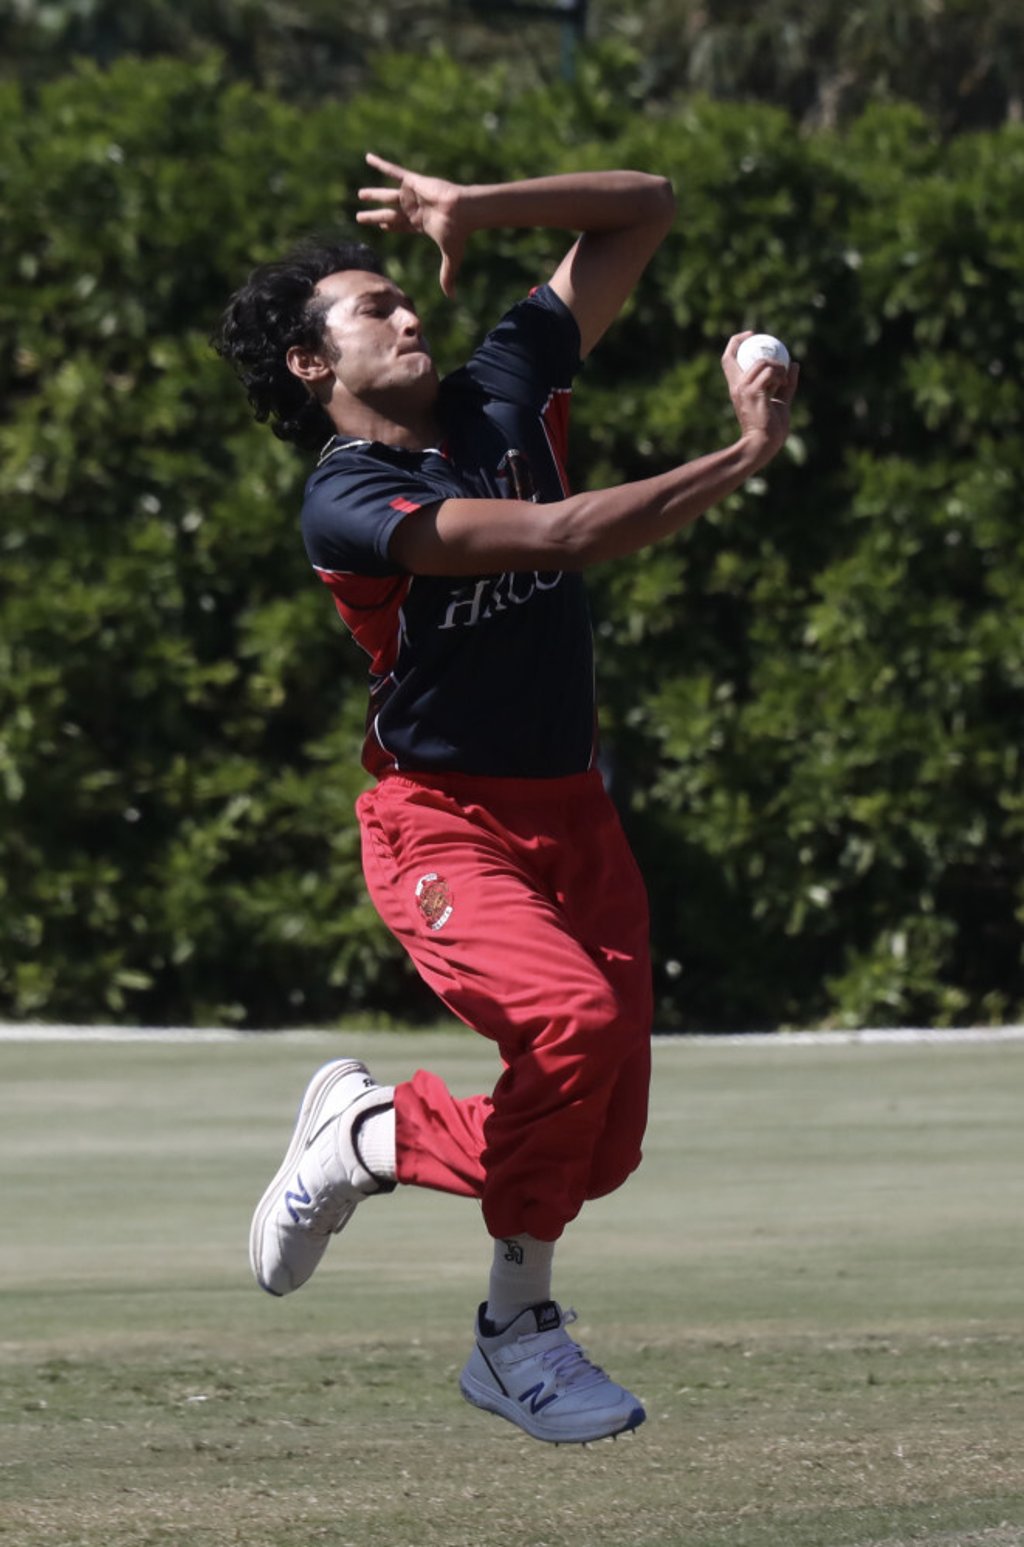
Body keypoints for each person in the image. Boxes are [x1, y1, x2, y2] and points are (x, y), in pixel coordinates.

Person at [215, 154, 797, 1447]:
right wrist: (747, 451)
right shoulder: (350, 499)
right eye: (373, 311)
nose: (408, 314)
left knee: (597, 1149)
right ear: (315, 369)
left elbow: (644, 207)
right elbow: (563, 536)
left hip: (571, 816)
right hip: (442, 823)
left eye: (402, 298)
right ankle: (498, 1300)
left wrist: (478, 209)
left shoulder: (503, 386)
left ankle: (379, 1155)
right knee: (572, 1029)